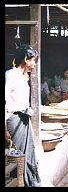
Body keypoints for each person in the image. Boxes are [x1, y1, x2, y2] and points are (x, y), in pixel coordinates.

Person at [5, 44, 42, 187]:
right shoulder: (10, 75)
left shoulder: (22, 76)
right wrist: (4, 129)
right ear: (26, 59)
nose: (34, 64)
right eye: (33, 60)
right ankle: (17, 182)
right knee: (17, 156)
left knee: (28, 153)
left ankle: (29, 181)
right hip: (14, 120)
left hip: (23, 120)